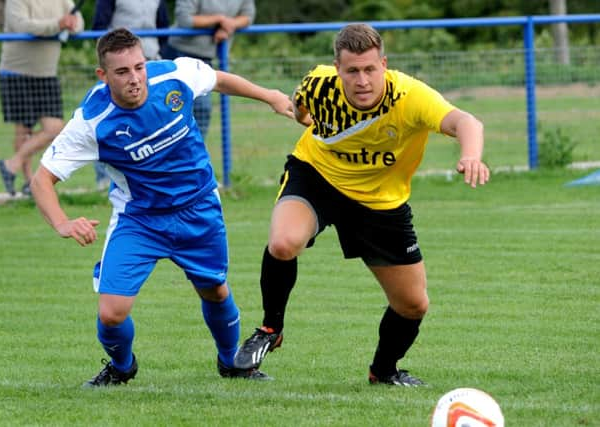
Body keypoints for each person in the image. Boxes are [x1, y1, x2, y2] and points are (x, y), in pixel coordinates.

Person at [30, 28, 294, 387]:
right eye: (122, 72)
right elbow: (42, 179)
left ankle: (231, 362)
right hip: (139, 220)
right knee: (111, 314)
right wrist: (61, 222)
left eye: (138, 67)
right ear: (103, 75)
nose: (135, 78)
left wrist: (270, 97)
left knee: (215, 290)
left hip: (198, 206)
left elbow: (218, 80)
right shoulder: (92, 122)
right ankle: (122, 366)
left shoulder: (174, 74)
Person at [233, 23, 490, 386]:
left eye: (370, 69)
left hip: (380, 201)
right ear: (337, 69)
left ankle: (383, 371)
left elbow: (466, 121)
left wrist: (471, 155)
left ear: (383, 64)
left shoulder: (409, 97)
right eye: (352, 71)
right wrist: (308, 121)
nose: (362, 80)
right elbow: (301, 109)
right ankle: (270, 328)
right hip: (318, 176)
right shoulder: (319, 82)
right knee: (283, 243)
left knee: (413, 304)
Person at [0, 0, 84, 196]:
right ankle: (30, 183)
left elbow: (78, 22)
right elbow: (23, 26)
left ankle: (11, 165)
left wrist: (72, 24)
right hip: (16, 72)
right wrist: (58, 24)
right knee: (23, 131)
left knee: (55, 128)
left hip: (47, 73)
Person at [91, 0, 170, 190]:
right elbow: (99, 27)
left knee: (155, 122)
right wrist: (115, 63)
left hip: (150, 60)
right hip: (118, 68)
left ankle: (157, 176)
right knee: (112, 125)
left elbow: (163, 27)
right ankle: (104, 178)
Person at [163, 0, 256, 140]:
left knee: (202, 111)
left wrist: (229, 25)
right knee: (170, 111)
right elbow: (185, 19)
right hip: (177, 53)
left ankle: (193, 154)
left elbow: (248, 16)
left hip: (206, 59)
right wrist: (219, 20)